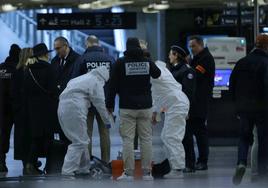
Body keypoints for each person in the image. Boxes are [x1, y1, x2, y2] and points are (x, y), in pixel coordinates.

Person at [106, 37, 161, 181]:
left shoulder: (120, 62)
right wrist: (146, 58)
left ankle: (129, 173)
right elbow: (157, 74)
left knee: (128, 140)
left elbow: (112, 86)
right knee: (146, 139)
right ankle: (147, 173)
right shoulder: (146, 61)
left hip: (127, 107)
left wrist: (109, 105)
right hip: (145, 106)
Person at [58, 67, 114, 176]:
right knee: (79, 142)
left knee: (82, 139)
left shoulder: (79, 79)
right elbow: (100, 104)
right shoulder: (96, 81)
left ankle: (84, 168)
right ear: (104, 77)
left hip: (62, 108)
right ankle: (67, 172)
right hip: (75, 109)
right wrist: (107, 121)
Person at [229, 34, 268, 185]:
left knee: (244, 137)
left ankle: (241, 163)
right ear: (266, 47)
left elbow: (232, 84)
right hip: (262, 109)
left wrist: (236, 106)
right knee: (263, 140)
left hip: (244, 108)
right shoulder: (266, 63)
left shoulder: (241, 62)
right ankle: (262, 173)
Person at [72, 35, 115, 163]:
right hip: (105, 103)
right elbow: (114, 82)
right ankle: (106, 162)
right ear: (99, 44)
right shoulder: (110, 59)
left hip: (87, 103)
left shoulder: (82, 59)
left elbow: (75, 82)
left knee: (87, 134)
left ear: (87, 45)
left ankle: (88, 162)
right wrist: (111, 103)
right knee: (105, 133)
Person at [23, 43, 58, 175]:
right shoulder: (49, 69)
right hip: (48, 108)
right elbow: (53, 90)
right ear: (45, 55)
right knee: (48, 137)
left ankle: (30, 163)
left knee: (35, 138)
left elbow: (25, 90)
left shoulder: (28, 70)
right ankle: (50, 166)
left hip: (33, 109)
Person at [151, 60, 189, 179]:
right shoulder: (162, 71)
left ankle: (177, 169)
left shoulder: (157, 73)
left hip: (176, 104)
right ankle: (173, 165)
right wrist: (156, 113)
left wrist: (155, 114)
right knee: (166, 136)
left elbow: (156, 95)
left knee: (172, 137)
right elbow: (159, 94)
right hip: (174, 104)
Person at [184, 35, 215, 171]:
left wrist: (186, 65)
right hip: (193, 102)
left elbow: (195, 75)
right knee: (190, 132)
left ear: (201, 45)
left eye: (194, 46)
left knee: (200, 133)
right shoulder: (196, 59)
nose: (191, 49)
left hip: (200, 102)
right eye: (190, 46)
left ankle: (203, 161)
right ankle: (192, 161)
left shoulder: (205, 59)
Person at [51, 37, 80, 142]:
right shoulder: (55, 61)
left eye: (58, 48)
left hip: (72, 103)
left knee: (72, 134)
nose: (57, 51)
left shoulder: (78, 60)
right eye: (55, 48)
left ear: (66, 46)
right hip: (58, 102)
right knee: (60, 132)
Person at [11, 48, 35, 172]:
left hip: (19, 111)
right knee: (33, 137)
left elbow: (13, 92)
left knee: (21, 138)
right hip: (31, 110)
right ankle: (31, 164)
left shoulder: (16, 71)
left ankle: (25, 163)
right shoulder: (32, 71)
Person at [0, 57, 17, 172]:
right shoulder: (17, 69)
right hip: (13, 108)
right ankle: (29, 163)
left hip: (1, 108)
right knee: (22, 134)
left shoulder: (1, 68)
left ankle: (1, 161)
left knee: (3, 134)